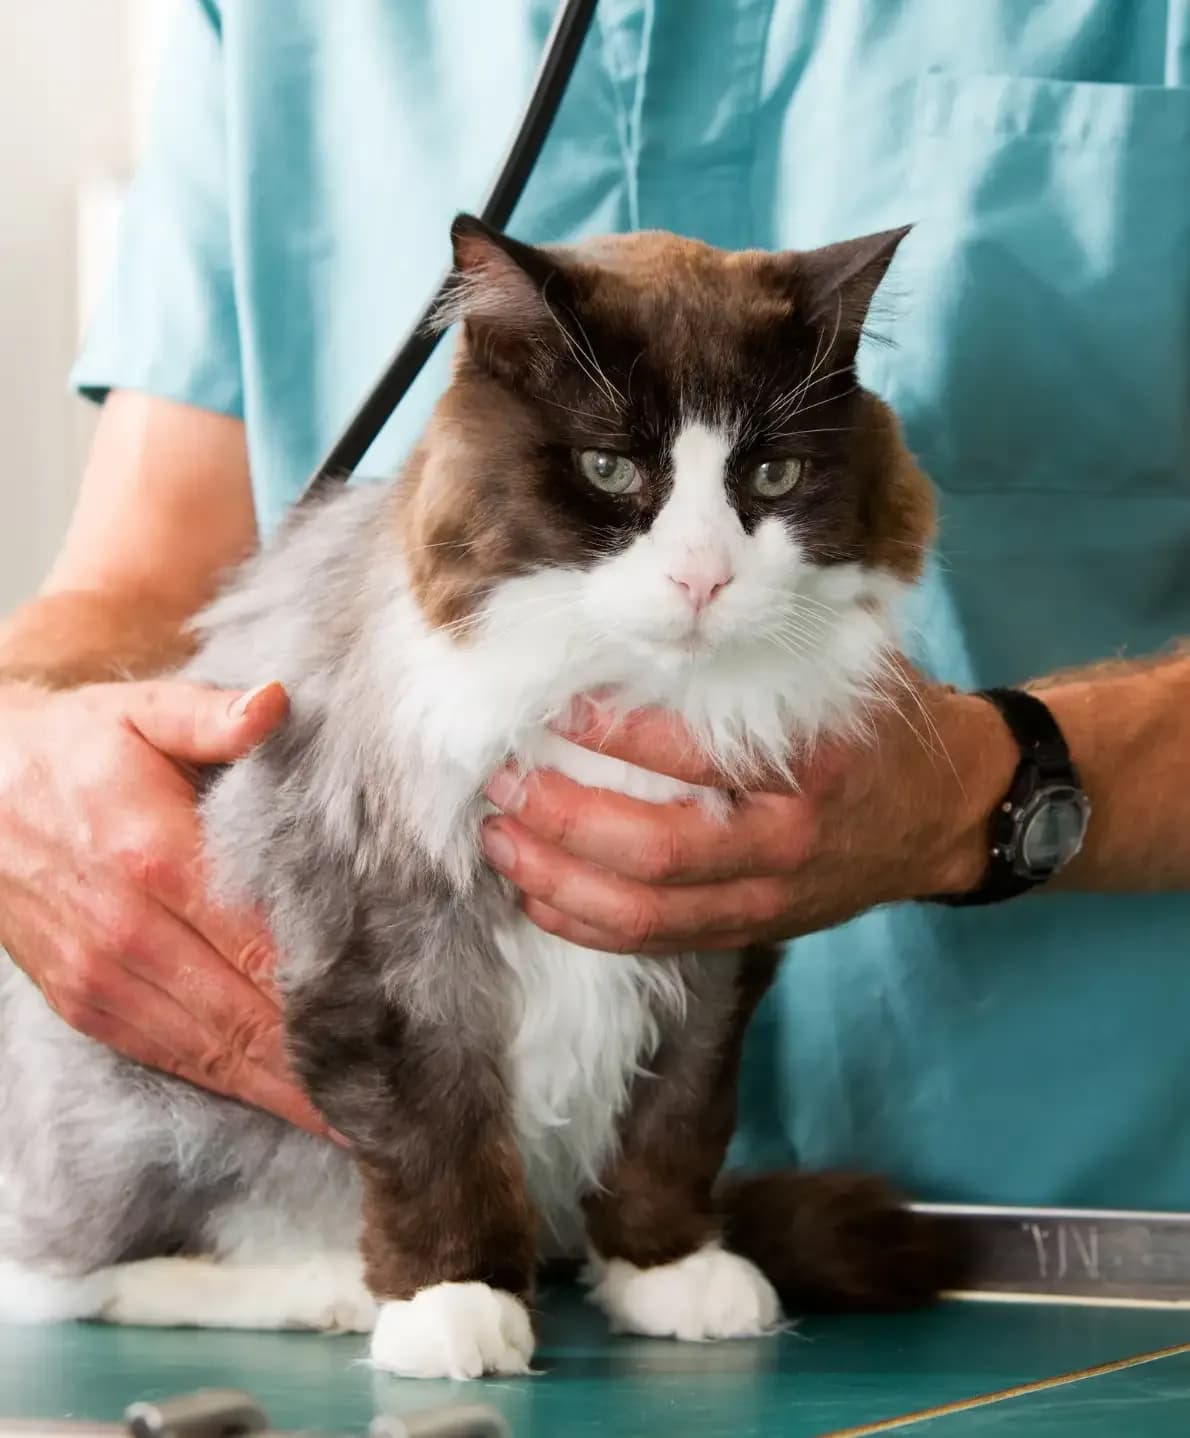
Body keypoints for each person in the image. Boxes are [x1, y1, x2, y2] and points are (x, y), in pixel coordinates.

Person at [2, 1, 1188, 1204]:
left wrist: (981, 793)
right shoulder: (263, 24)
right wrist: (15, 753)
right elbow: (136, 585)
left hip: (1065, 1228)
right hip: (371, 1215)